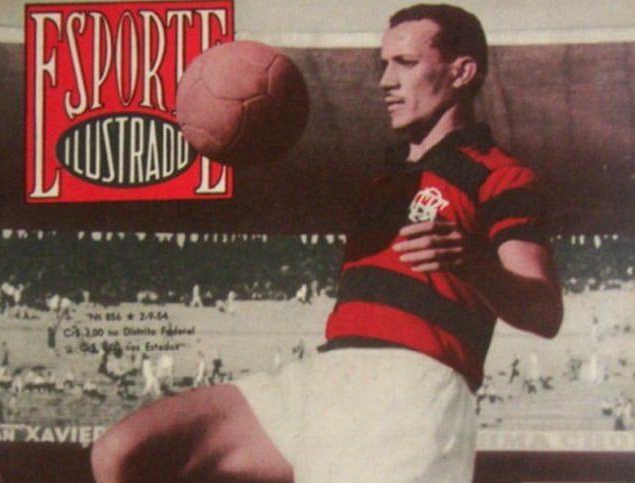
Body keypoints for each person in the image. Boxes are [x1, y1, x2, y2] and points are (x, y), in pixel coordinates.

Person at [91, 4, 563, 482]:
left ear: (462, 72)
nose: (385, 81)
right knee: (124, 452)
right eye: (383, 65)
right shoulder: (383, 181)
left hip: (412, 393)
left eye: (405, 63)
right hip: (324, 376)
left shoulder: (501, 175)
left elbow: (545, 313)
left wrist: (472, 261)